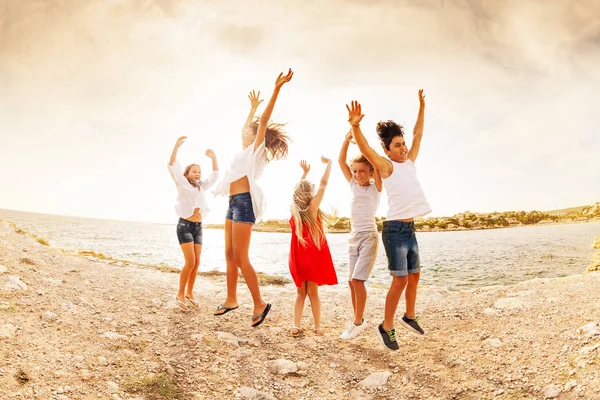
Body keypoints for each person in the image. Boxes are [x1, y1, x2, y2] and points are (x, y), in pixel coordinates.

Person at [346, 90, 430, 350]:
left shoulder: (409, 161)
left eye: (402, 143)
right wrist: (355, 126)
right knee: (400, 280)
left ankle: (409, 316)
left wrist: (422, 108)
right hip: (394, 230)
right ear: (387, 150)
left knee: (414, 275)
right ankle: (386, 326)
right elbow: (366, 149)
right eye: (396, 145)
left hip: (410, 228)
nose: (403, 147)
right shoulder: (386, 167)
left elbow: (417, 135)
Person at [212, 70, 294, 327]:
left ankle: (259, 303)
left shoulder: (256, 151)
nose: (242, 134)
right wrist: (251, 109)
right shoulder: (243, 150)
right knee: (228, 254)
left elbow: (265, 120)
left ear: (255, 135)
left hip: (245, 203)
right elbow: (243, 128)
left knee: (241, 257)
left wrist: (276, 89)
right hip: (232, 203)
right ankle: (231, 299)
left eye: (247, 132)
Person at [337, 131, 382, 339]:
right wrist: (346, 140)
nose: (357, 174)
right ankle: (358, 320)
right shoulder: (353, 186)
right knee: (350, 282)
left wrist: (364, 146)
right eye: (355, 171)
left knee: (357, 280)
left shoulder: (376, 188)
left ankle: (358, 322)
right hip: (353, 237)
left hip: (369, 237)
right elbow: (340, 161)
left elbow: (376, 162)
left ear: (371, 172)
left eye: (362, 171)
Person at [168, 136, 219, 311]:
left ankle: (190, 292)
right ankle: (180, 293)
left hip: (198, 227)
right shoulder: (182, 184)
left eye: (199, 171)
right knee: (189, 262)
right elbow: (172, 166)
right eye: (194, 171)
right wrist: (176, 147)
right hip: (185, 226)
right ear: (187, 174)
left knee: (197, 263)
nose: (197, 173)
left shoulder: (200, 187)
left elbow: (215, 176)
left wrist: (213, 159)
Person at [289, 157, 338, 336]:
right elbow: (322, 184)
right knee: (306, 293)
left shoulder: (306, 209)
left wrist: (306, 173)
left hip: (304, 258)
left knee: (307, 293)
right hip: (305, 258)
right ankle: (309, 325)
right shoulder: (301, 209)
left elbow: (319, 185)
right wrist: (327, 165)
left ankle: (306, 325)